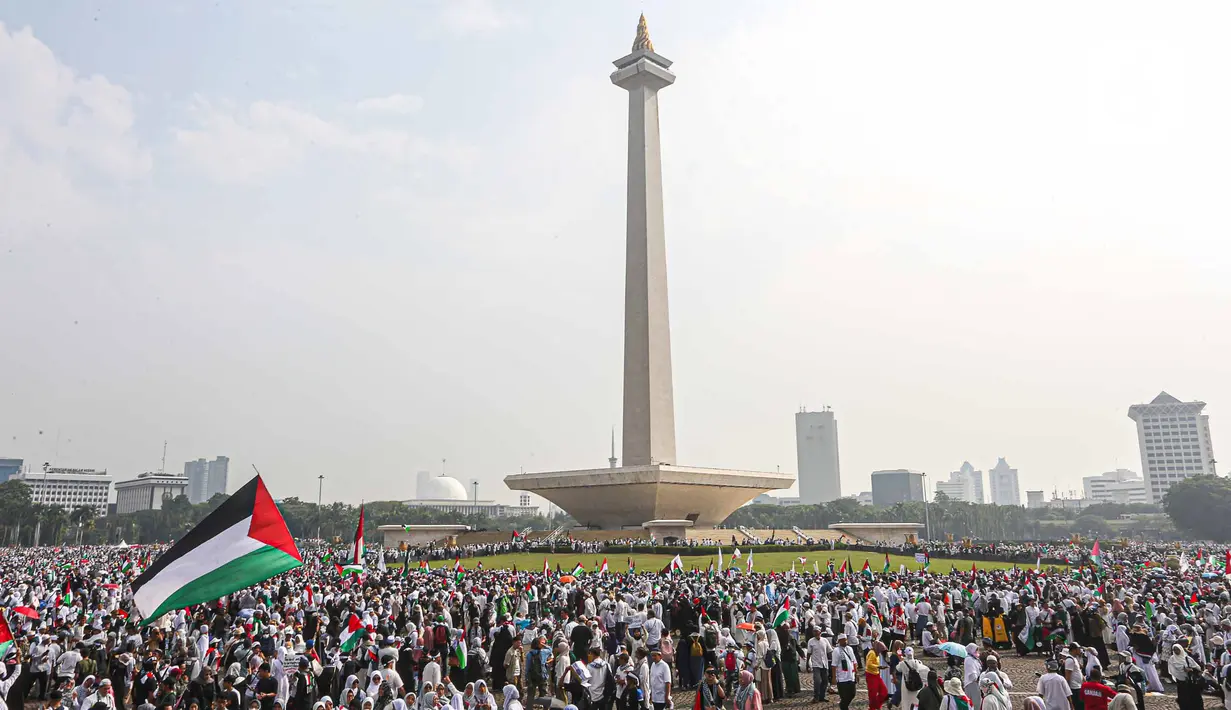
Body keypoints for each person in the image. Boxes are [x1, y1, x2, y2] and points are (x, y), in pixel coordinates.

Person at [831, 634, 858, 710]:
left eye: (846, 639)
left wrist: (856, 673)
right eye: (843, 640)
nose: (845, 641)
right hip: (842, 678)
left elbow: (854, 661)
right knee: (844, 696)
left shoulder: (850, 649)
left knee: (852, 694)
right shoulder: (836, 651)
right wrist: (834, 678)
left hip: (851, 676)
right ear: (839, 641)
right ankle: (844, 707)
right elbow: (834, 665)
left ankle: (843, 705)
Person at [806, 628, 831, 703]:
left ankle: (822, 696)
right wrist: (807, 663)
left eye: (816, 631)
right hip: (816, 664)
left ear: (820, 632)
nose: (815, 633)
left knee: (825, 681)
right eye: (814, 632)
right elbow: (809, 653)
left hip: (824, 663)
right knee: (817, 681)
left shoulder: (825, 640)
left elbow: (829, 651)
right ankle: (816, 697)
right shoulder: (811, 641)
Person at [866, 643, 888, 710]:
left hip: (876, 674)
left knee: (884, 692)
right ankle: (872, 708)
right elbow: (869, 664)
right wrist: (878, 667)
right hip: (871, 675)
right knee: (873, 694)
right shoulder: (872, 653)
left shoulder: (876, 653)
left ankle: (876, 705)